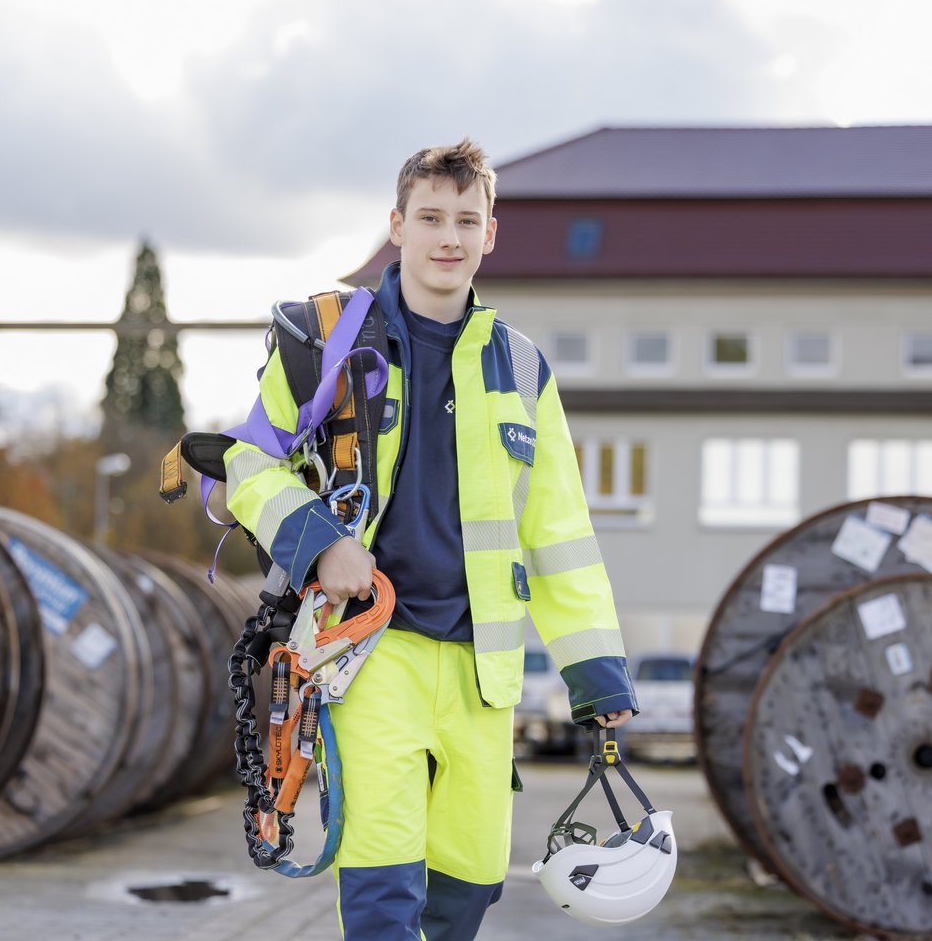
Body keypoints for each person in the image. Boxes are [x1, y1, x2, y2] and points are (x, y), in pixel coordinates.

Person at [224, 138, 636, 941]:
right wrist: (320, 543)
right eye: (430, 218)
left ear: (490, 234)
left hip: (486, 671)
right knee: (383, 885)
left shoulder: (522, 368)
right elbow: (243, 464)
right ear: (397, 226)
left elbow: (558, 535)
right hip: (375, 655)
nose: (448, 237)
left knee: (469, 888)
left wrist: (598, 673)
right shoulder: (332, 342)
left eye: (466, 220)